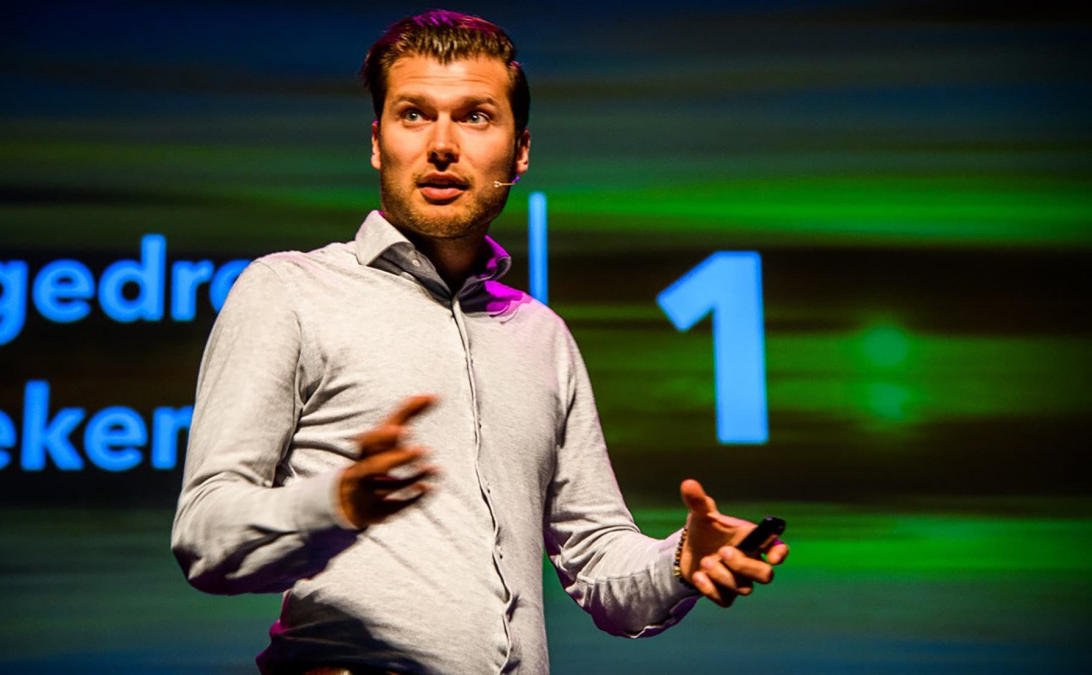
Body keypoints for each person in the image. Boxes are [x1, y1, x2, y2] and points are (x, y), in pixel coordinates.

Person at [172, 10, 787, 675]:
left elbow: (597, 563)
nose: (441, 144)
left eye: (475, 117)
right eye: (414, 114)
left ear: (520, 151)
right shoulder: (289, 291)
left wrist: (680, 562)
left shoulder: (540, 334)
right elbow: (206, 537)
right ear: (377, 142)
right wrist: (338, 502)